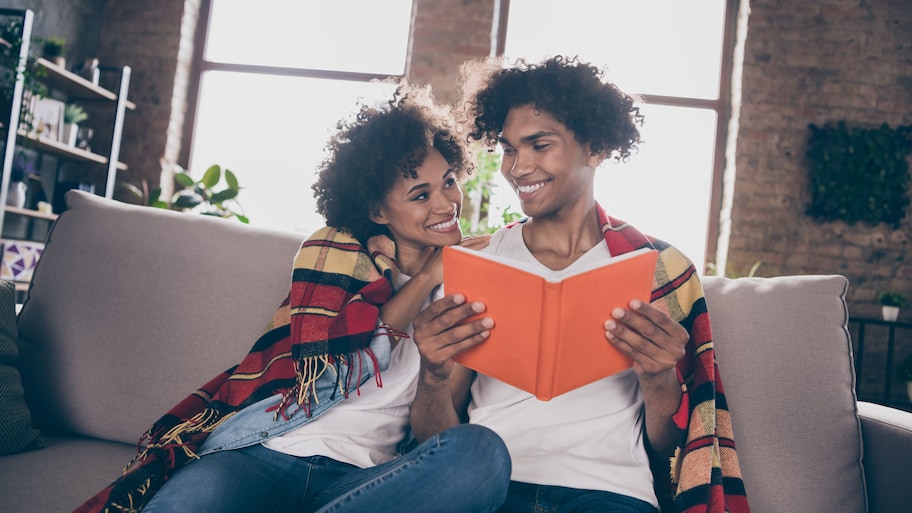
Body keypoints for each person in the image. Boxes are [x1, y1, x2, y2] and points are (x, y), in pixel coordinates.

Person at [75, 82, 510, 513]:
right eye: (421, 194)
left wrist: (438, 350)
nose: (447, 203)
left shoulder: (466, 290)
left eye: (448, 181)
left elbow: (434, 436)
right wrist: (428, 274)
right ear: (377, 211)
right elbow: (330, 365)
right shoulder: (333, 253)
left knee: (480, 453)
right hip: (261, 456)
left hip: (362, 479)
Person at [409, 55, 750, 513]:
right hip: (491, 488)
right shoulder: (480, 261)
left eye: (539, 145)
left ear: (596, 147)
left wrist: (657, 378)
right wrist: (431, 374)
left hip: (610, 494)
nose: (518, 167)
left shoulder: (658, 269)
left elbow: (669, 447)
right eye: (509, 148)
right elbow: (434, 441)